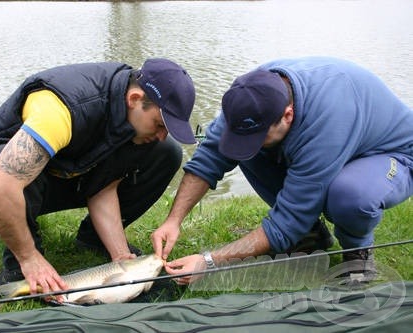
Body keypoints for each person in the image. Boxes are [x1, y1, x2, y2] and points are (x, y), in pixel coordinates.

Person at [152, 56, 413, 284]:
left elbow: (288, 221)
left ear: (287, 115)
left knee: (349, 195)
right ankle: (311, 237)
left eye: (259, 134)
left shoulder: (326, 123)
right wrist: (173, 220)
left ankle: (358, 255)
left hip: (392, 155)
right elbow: (209, 157)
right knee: (245, 147)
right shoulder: (249, 96)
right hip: (334, 145)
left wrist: (208, 261)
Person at [0, 58, 196, 295]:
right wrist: (29, 258)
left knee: (167, 152)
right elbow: (0, 189)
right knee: (0, 165)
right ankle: (20, 265)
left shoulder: (129, 116)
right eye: (159, 124)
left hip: (77, 170)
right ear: (134, 99)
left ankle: (93, 240)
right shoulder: (63, 109)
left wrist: (121, 257)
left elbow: (105, 187)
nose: (162, 134)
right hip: (25, 184)